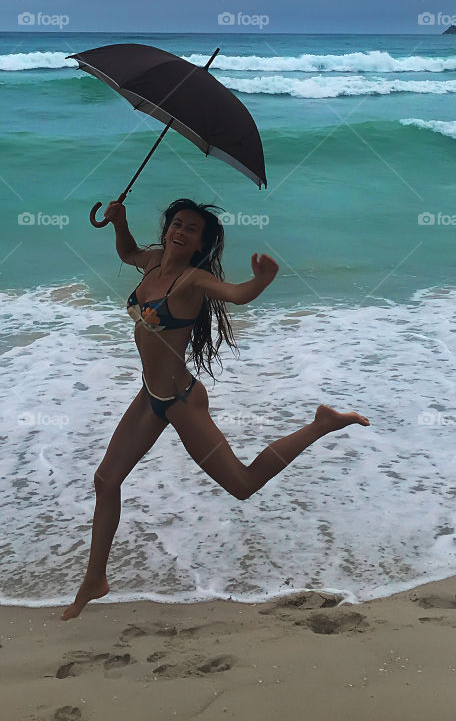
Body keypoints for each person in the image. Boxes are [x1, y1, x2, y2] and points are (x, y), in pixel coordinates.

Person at [61, 196, 370, 620]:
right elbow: (126, 252)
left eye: (192, 230)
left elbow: (237, 294)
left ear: (200, 244)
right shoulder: (150, 263)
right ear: (168, 226)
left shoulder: (192, 280)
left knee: (242, 484)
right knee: (105, 480)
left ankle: (321, 424)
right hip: (149, 397)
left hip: (181, 402)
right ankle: (95, 579)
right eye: (178, 224)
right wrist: (120, 220)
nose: (181, 232)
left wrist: (260, 281)